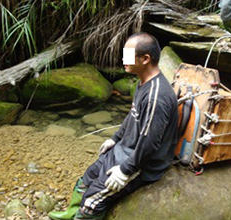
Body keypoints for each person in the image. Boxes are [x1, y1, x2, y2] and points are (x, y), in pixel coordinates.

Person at [48, 32, 178, 219]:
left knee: (92, 202)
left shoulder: (157, 97)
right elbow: (131, 116)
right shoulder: (144, 82)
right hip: (123, 150)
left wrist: (126, 171)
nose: (122, 59)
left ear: (145, 59)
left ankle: (82, 214)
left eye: (127, 55)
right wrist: (115, 139)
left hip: (142, 163)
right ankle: (70, 212)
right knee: (85, 180)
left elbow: (150, 143)